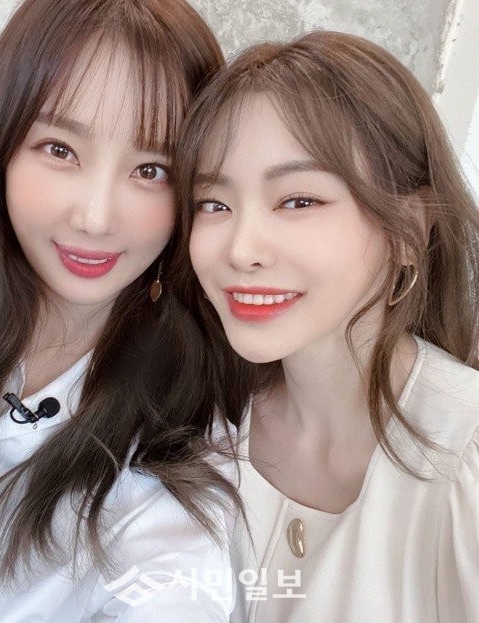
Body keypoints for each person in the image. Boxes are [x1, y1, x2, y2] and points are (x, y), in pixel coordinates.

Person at [0, 1, 241, 621]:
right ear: (0, 145)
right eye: (60, 149)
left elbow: (178, 587)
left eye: (150, 170)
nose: (95, 218)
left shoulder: (173, 448)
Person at [174, 31, 479, 622]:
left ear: (409, 230)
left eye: (298, 201)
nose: (241, 249)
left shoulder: (465, 453)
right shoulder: (202, 424)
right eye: (214, 204)